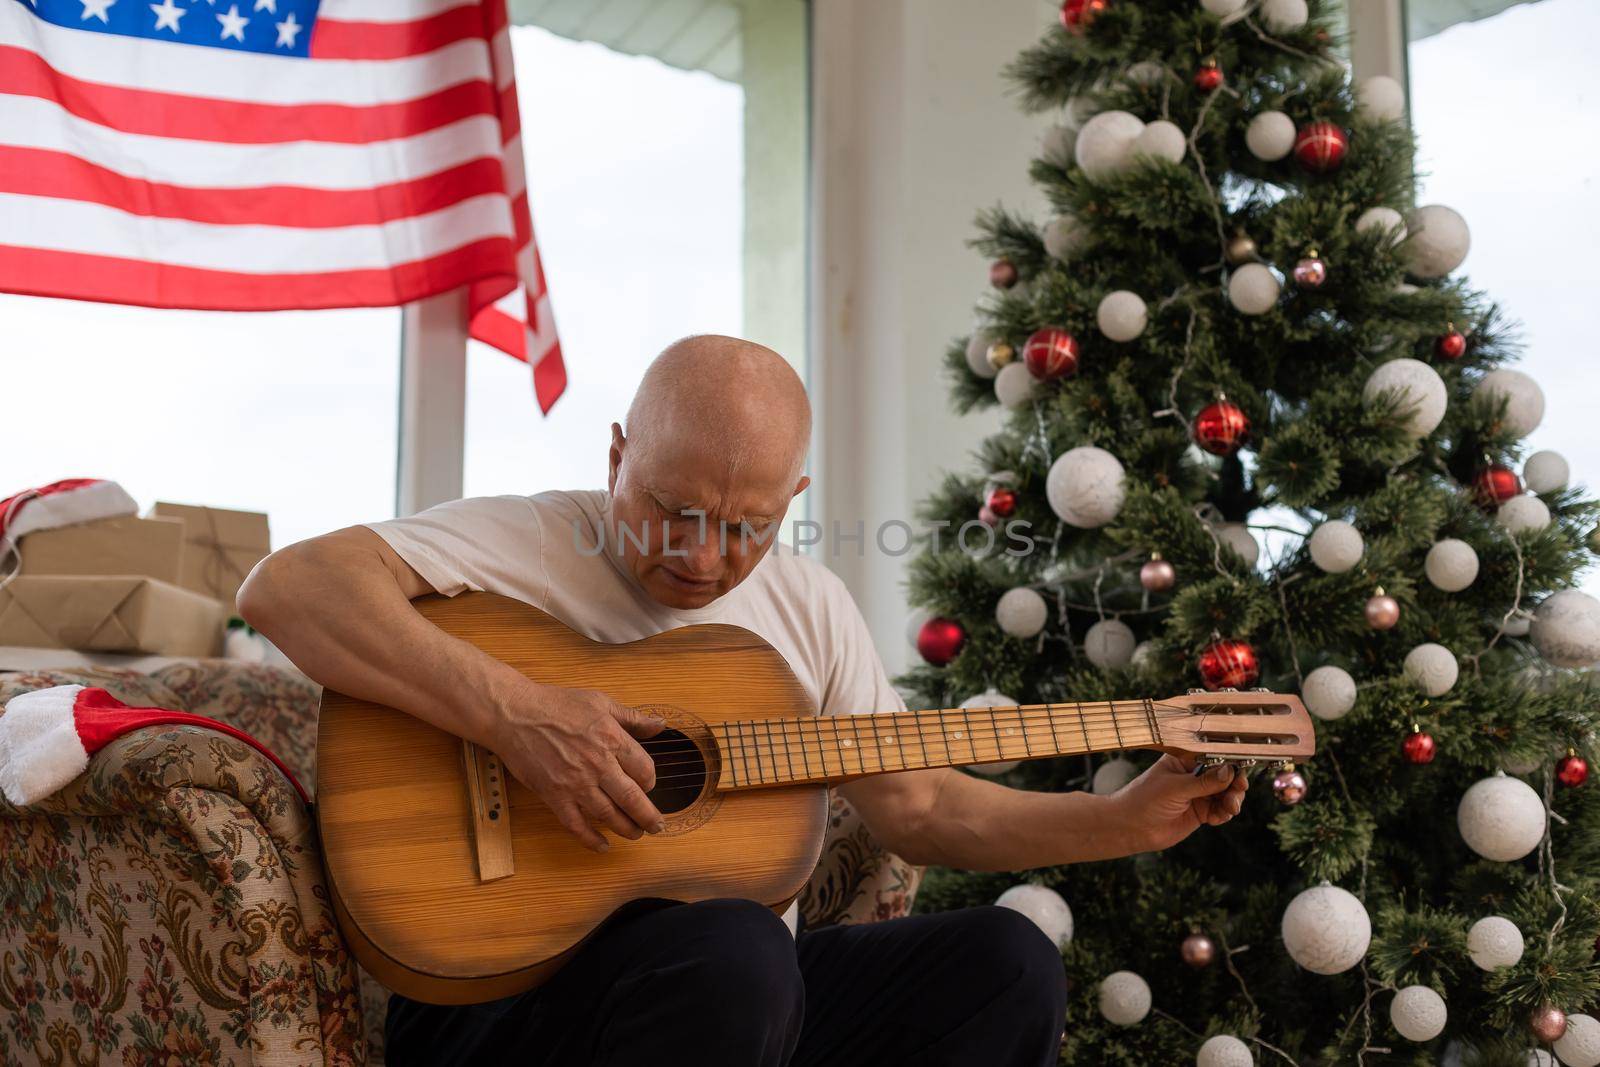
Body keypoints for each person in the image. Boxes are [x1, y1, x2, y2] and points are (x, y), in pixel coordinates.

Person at [239, 334, 1248, 1067]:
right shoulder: (526, 540)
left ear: (791, 497)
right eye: (671, 510)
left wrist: (1121, 819)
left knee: (1006, 958)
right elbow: (284, 589)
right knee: (738, 942)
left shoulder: (807, 603)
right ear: (615, 456)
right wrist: (516, 713)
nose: (700, 556)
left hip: (734, 1012)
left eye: (744, 526)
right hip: (497, 1002)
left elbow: (926, 807)